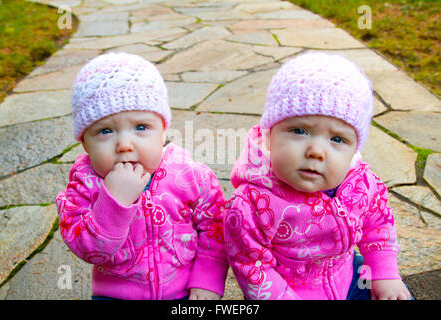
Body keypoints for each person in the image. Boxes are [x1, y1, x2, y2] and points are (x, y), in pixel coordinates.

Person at [224, 52, 412, 300]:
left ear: (354, 148)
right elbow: (252, 266)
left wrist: (384, 273)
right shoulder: (251, 205)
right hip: (289, 291)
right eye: (299, 131)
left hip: (349, 277)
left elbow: (378, 223)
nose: (316, 151)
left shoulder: (360, 182)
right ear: (269, 136)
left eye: (337, 139)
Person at [56, 52, 228, 300]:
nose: (125, 144)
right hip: (113, 296)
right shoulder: (84, 185)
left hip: (182, 293)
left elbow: (215, 230)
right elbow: (86, 249)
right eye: (105, 131)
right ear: (85, 143)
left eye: (141, 127)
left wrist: (207, 281)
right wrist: (114, 202)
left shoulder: (190, 176)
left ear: (162, 130)